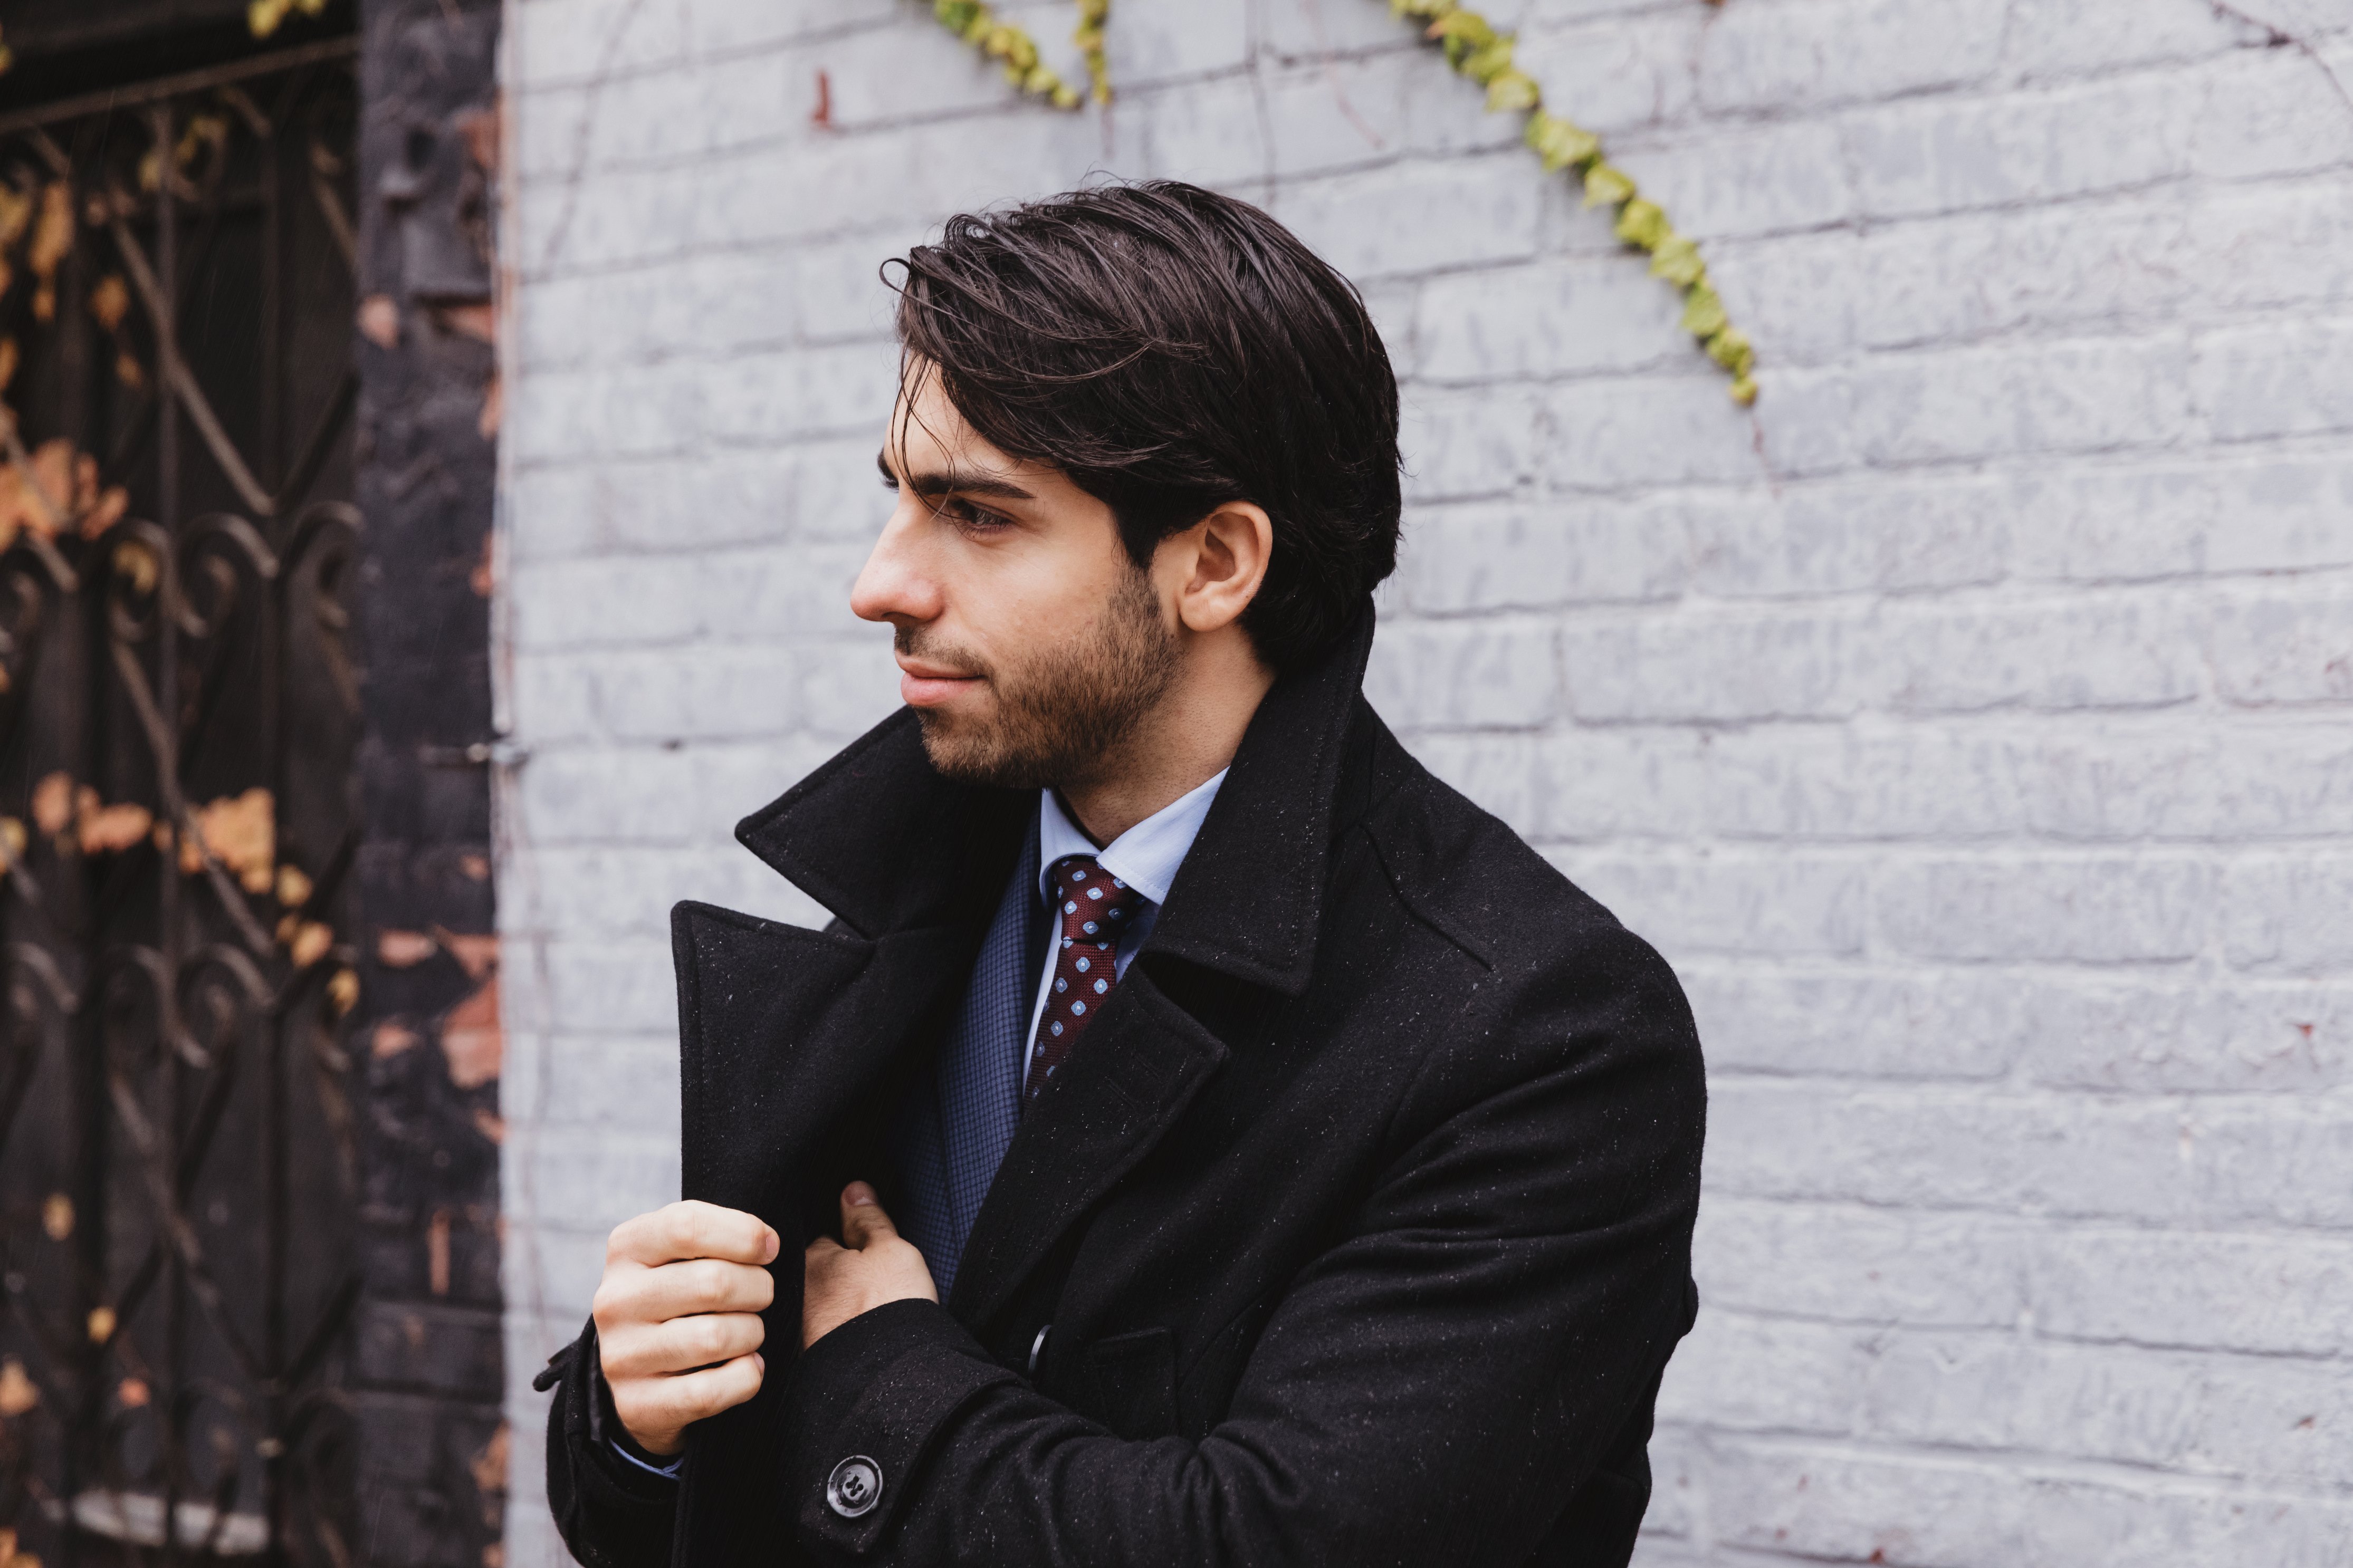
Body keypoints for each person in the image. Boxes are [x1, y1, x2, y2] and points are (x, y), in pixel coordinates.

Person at [535, 179, 1706, 1568]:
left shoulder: (1534, 1033)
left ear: (1213, 562)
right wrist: (634, 1422)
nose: (879, 583)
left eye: (978, 514)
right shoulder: (908, 885)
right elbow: (701, 1498)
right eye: (900, 498)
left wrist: (883, 1377)